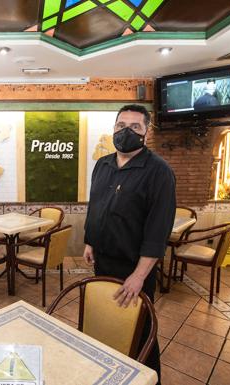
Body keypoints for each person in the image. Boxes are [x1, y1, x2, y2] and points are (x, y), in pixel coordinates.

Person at [83, 104, 176, 383]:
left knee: (140, 330)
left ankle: (149, 380)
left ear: (146, 132)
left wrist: (138, 276)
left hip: (135, 271)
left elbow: (158, 231)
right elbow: (95, 206)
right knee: (108, 323)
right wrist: (90, 240)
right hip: (103, 263)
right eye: (121, 125)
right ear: (114, 128)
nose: (126, 131)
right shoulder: (103, 164)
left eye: (135, 127)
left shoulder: (159, 172)